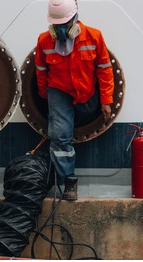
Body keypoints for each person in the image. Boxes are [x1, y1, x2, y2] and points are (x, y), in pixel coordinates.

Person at [35, 0, 114, 201]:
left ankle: (63, 172)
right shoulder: (44, 41)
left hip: (86, 96)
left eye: (65, 24)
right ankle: (68, 179)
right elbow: (41, 70)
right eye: (57, 25)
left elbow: (104, 69)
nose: (61, 29)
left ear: (75, 19)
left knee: (70, 124)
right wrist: (45, 96)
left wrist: (106, 100)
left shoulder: (94, 37)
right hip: (59, 91)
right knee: (60, 135)